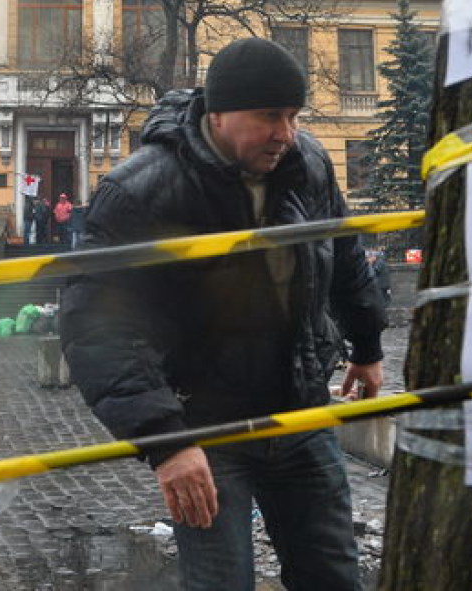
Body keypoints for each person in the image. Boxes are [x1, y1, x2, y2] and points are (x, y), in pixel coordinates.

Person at [60, 37, 387, 591]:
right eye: (268, 117)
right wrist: (167, 442)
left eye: (292, 116)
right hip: (207, 428)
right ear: (218, 113)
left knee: (334, 577)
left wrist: (368, 345)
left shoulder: (308, 162)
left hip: (301, 412)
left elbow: (344, 252)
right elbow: (99, 328)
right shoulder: (139, 191)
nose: (285, 133)